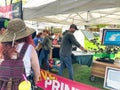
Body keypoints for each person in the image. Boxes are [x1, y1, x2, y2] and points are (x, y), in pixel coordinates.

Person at [0, 18, 40, 90]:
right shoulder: (29, 48)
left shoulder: (2, 47)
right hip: (23, 85)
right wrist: (34, 82)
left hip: (4, 85)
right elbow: (37, 72)